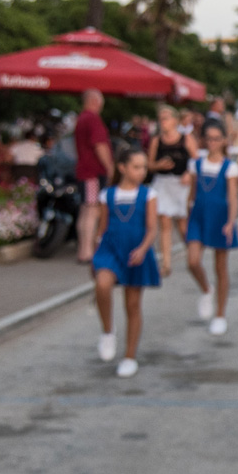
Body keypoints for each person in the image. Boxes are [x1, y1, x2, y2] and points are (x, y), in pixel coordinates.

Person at [92, 149, 160, 378]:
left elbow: (152, 228)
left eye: (144, 167)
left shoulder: (148, 194)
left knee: (132, 304)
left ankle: (129, 356)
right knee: (102, 285)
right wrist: (95, 251)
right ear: (122, 168)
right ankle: (108, 331)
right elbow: (102, 227)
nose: (141, 172)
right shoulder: (107, 195)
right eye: (136, 167)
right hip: (110, 248)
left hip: (136, 250)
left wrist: (143, 248)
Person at [186, 121, 238, 336]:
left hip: (220, 218)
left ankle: (220, 314)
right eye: (209, 138)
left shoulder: (230, 167)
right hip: (198, 216)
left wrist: (230, 221)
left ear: (224, 141)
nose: (213, 142)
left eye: (217, 138)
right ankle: (207, 289)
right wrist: (186, 215)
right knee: (192, 261)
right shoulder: (196, 164)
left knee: (220, 266)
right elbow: (191, 193)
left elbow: (233, 197)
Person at [147, 106, 199, 278]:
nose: (163, 122)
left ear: (175, 120)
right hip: (163, 182)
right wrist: (158, 165)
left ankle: (192, 254)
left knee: (182, 223)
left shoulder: (186, 139)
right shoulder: (156, 141)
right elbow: (149, 164)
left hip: (180, 184)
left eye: (166, 118)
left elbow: (195, 160)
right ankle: (166, 263)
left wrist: (188, 174)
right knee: (164, 221)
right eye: (161, 119)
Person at [74, 90, 115, 264]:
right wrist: (110, 167)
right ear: (95, 101)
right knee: (91, 210)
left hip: (84, 169)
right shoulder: (92, 119)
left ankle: (84, 249)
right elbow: (100, 145)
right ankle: (86, 251)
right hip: (92, 171)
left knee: (85, 210)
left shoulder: (81, 119)